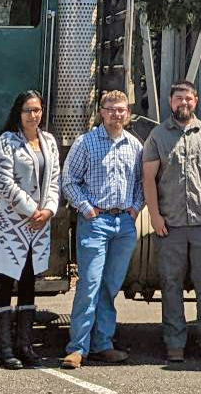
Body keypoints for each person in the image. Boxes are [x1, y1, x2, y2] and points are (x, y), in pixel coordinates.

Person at [142, 78, 201, 364]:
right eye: (178, 98)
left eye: (188, 98)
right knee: (171, 285)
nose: (183, 103)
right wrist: (154, 216)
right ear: (170, 102)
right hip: (171, 225)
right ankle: (174, 343)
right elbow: (149, 179)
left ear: (196, 101)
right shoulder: (157, 136)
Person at [61, 89, 144, 370]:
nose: (116, 114)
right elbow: (69, 180)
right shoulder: (86, 143)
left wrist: (135, 208)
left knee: (110, 287)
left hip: (124, 225)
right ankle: (77, 348)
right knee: (90, 285)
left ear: (127, 113)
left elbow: (143, 183)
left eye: (121, 109)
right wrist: (87, 210)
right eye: (111, 109)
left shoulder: (135, 146)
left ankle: (102, 344)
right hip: (95, 223)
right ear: (101, 112)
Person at [0, 89, 60, 370]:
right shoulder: (8, 142)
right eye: (28, 110)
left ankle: (25, 344)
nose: (34, 115)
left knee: (29, 282)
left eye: (38, 110)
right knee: (5, 282)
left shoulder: (49, 142)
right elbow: (3, 183)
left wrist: (48, 211)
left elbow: (54, 180)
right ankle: (4, 347)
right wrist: (32, 210)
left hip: (39, 225)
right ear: (18, 113)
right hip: (13, 225)